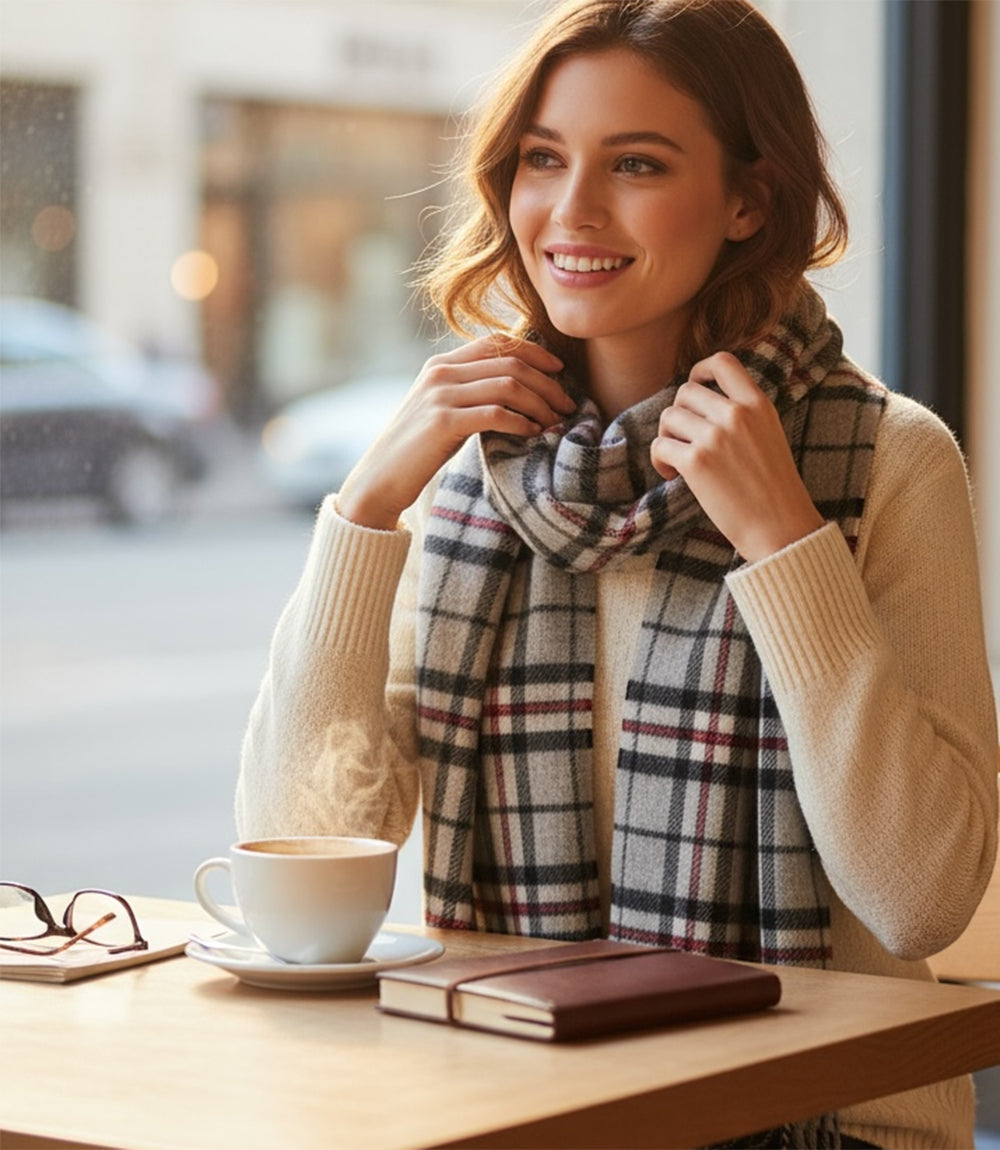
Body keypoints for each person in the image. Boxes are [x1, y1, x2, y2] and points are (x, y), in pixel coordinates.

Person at [236, 1, 998, 1146]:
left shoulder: (886, 458)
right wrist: (366, 508)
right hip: (518, 1113)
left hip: (829, 1128)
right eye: (543, 159)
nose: (572, 211)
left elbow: (920, 896)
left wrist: (785, 544)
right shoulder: (464, 478)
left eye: (635, 163)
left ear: (749, 197)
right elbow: (299, 848)